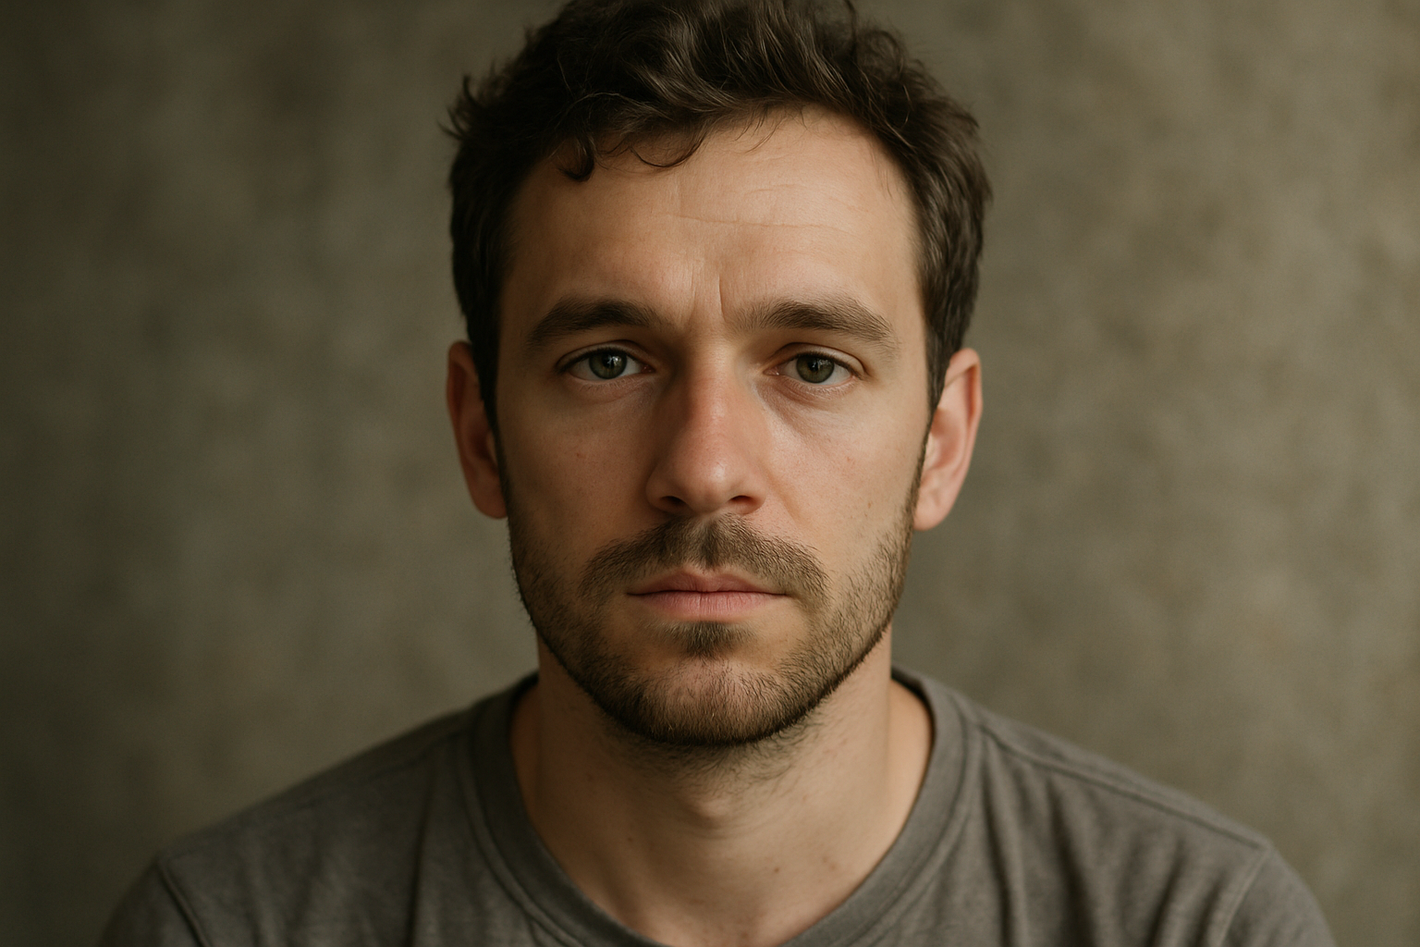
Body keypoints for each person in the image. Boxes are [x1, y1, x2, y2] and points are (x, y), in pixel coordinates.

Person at [102, 1, 1335, 944]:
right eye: (605, 360)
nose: (702, 468)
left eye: (810, 363)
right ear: (479, 433)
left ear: (941, 442)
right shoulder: (232, 924)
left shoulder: (1199, 923)